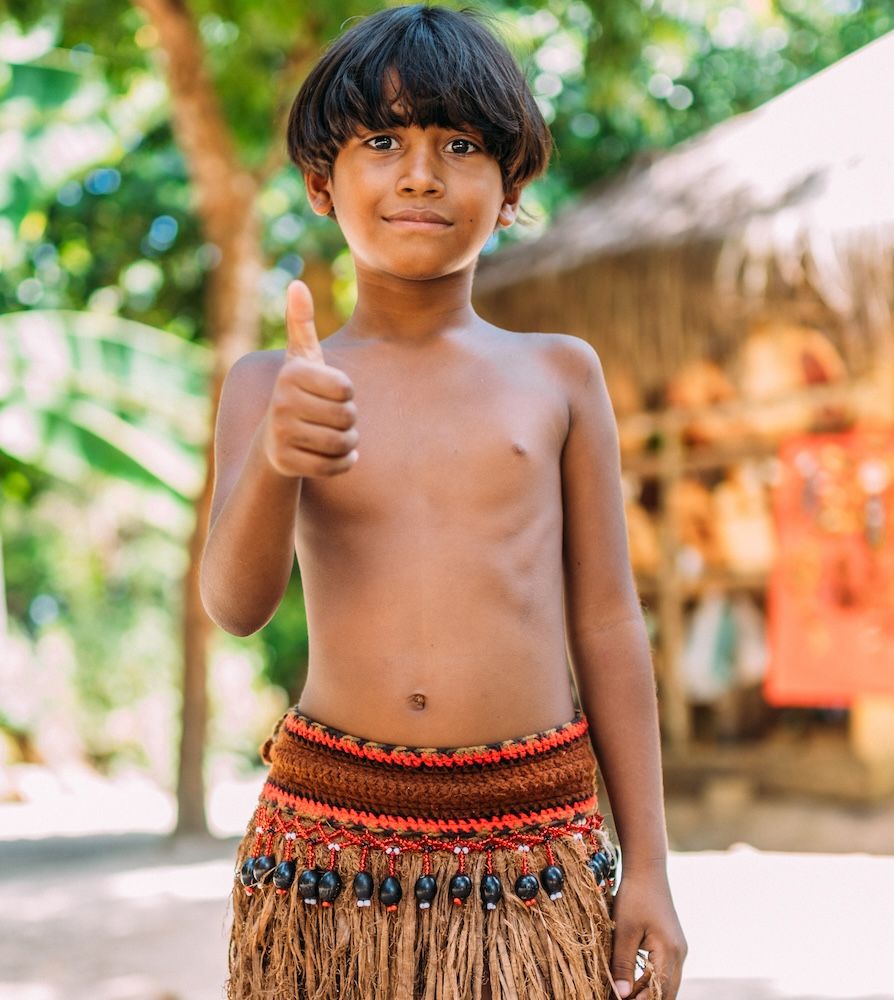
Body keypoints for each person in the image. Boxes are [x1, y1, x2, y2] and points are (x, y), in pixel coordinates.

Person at [199, 6, 686, 998]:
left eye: (458, 144)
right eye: (381, 141)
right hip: (326, 855)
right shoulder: (271, 382)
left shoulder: (556, 374)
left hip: (534, 846)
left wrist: (651, 865)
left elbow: (604, 618)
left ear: (508, 189)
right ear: (319, 182)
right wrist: (277, 454)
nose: (419, 173)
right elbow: (234, 605)